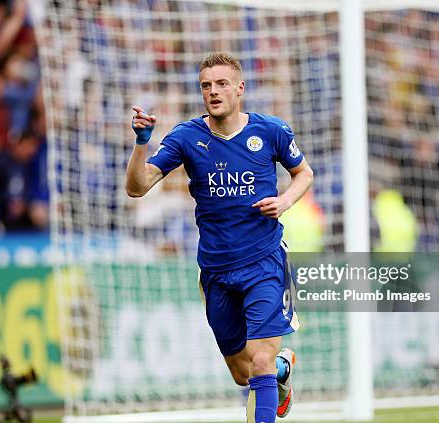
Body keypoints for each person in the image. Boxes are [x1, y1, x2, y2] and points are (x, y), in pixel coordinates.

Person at [126, 52, 314, 423]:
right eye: (206, 86)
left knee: (258, 360)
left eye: (222, 83)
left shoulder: (271, 131)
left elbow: (304, 173)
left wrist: (285, 200)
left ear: (240, 88)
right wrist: (142, 143)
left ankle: (270, 368)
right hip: (215, 271)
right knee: (243, 373)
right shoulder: (186, 137)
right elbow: (137, 187)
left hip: (264, 263)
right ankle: (281, 368)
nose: (213, 92)